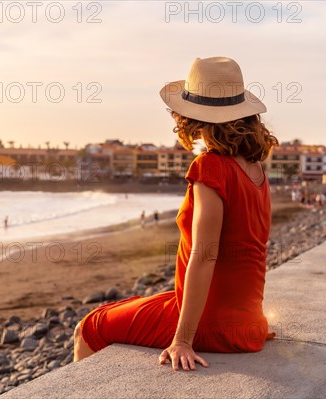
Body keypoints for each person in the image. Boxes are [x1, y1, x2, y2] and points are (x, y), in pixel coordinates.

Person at [74, 57, 279, 372]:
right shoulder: (255, 172)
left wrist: (182, 340)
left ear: (192, 118)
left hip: (214, 324)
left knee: (90, 326)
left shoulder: (209, 167)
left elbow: (204, 254)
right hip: (249, 322)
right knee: (128, 306)